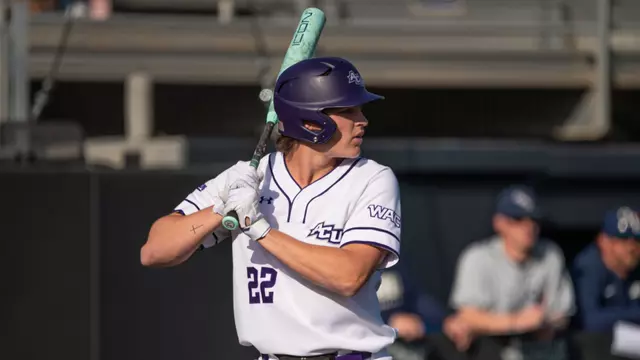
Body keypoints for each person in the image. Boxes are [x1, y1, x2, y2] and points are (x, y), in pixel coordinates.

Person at [140, 57, 402, 360]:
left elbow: (348, 277)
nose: (362, 120)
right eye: (347, 111)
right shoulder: (248, 179)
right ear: (311, 120)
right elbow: (154, 252)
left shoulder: (372, 178)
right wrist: (220, 210)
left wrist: (259, 228)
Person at [447, 185, 575, 352]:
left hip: (538, 351)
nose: (528, 227)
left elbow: (562, 314)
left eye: (533, 220)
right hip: (491, 351)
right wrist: (517, 322)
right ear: (499, 223)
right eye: (518, 219)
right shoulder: (478, 257)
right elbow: (467, 316)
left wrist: (544, 322)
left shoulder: (550, 255)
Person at [571, 206, 640, 333]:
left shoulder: (635, 268)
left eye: (637, 240)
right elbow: (590, 320)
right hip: (591, 348)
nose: (632, 248)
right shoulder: (589, 266)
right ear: (603, 241)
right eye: (623, 240)